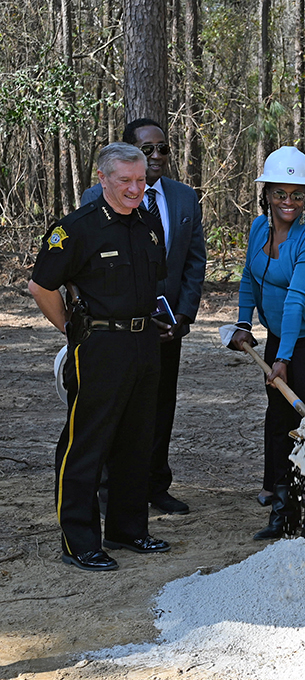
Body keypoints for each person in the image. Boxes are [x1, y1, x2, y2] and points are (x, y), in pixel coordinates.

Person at [31, 143, 171, 571]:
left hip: (144, 344)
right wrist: (72, 330)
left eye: (140, 180)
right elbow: (41, 286)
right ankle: (79, 541)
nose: (135, 188)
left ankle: (127, 529)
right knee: (87, 444)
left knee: (136, 441)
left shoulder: (148, 224)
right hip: (99, 348)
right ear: (103, 179)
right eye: (125, 180)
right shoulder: (77, 228)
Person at [80, 118, 207, 516]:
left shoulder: (184, 198)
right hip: (117, 329)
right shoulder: (95, 197)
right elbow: (86, 266)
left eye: (162, 148)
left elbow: (194, 262)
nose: (156, 156)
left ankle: (155, 485)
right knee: (116, 408)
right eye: (146, 149)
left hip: (167, 327)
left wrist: (183, 315)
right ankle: (110, 489)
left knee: (160, 407)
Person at [228, 147, 305, 540]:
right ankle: (283, 512)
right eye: (280, 193)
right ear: (266, 193)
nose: (289, 202)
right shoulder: (258, 229)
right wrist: (243, 323)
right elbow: (250, 277)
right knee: (279, 420)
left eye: (298, 194)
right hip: (281, 334)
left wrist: (283, 359)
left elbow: (296, 299)